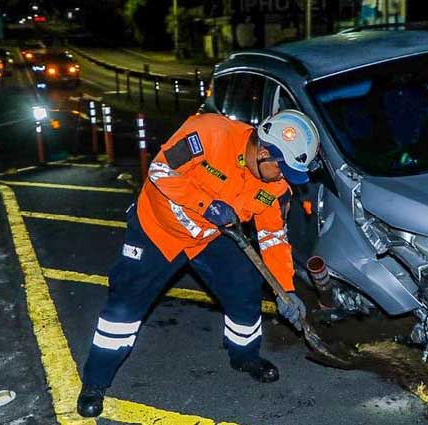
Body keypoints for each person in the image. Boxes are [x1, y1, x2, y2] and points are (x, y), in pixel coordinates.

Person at [76, 110, 321, 418]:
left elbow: (273, 238)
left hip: (210, 237)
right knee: (123, 307)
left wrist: (285, 289)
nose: (283, 178)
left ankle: (244, 355)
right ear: (263, 152)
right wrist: (206, 205)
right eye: (281, 169)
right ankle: (96, 381)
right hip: (157, 230)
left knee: (244, 286)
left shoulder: (275, 187)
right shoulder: (209, 132)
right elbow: (161, 171)